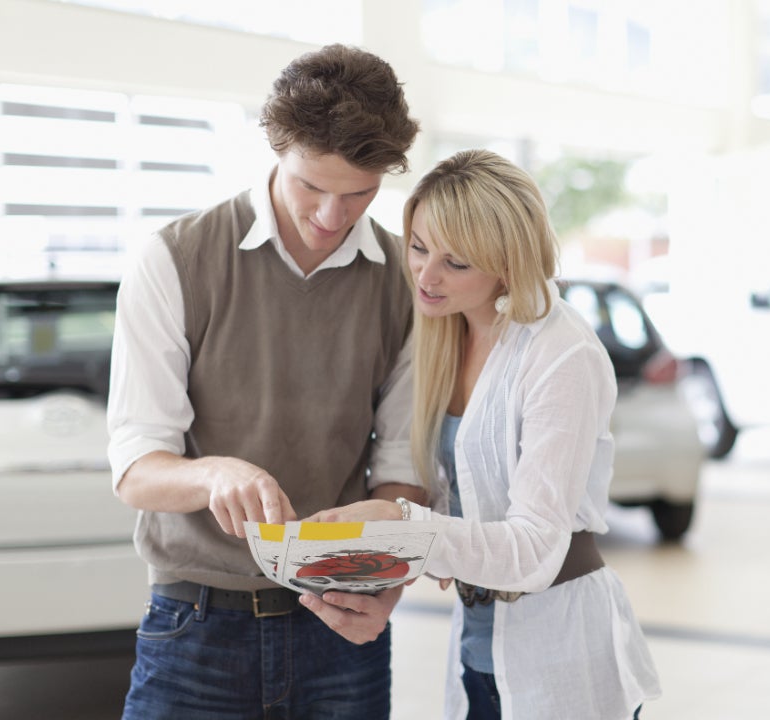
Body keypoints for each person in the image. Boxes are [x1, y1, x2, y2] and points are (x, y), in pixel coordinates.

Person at [106, 44, 424, 719]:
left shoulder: (404, 280)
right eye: (312, 187)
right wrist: (215, 474)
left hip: (343, 628)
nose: (332, 218)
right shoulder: (175, 260)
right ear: (278, 149)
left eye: (359, 194)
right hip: (196, 626)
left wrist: (385, 584)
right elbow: (136, 466)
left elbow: (402, 466)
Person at [313, 149, 662, 719]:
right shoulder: (445, 333)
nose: (425, 275)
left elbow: (533, 549)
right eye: (419, 247)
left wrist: (400, 526)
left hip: (558, 658)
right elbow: (459, 514)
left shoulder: (561, 353)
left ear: (507, 263)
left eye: (456, 262)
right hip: (478, 652)